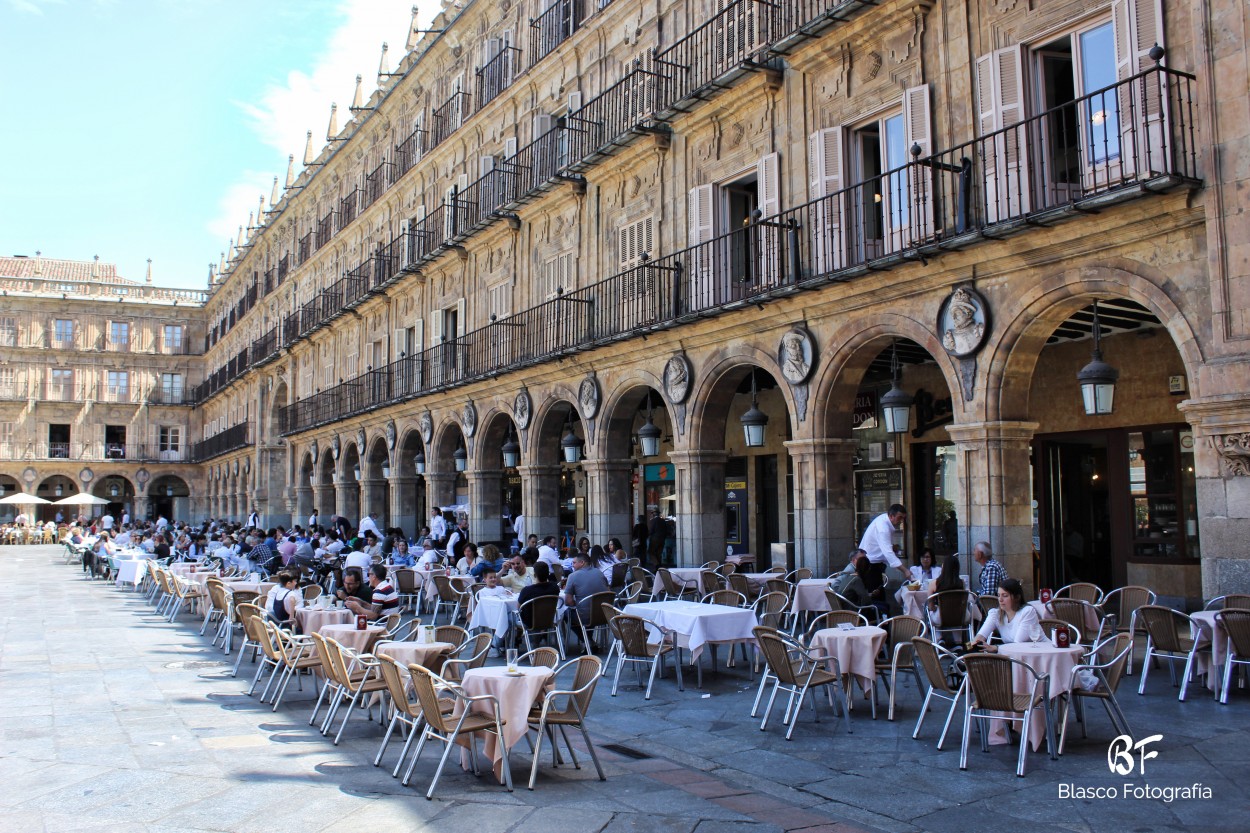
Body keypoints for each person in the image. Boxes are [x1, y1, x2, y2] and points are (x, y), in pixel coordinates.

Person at [971, 578, 1042, 649]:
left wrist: (996, 648)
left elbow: (1017, 645)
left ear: (1017, 597)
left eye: (1005, 596)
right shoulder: (995, 614)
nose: (1000, 599)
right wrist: (966, 648)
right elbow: (978, 638)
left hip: (1041, 653)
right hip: (1015, 656)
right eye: (998, 595)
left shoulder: (1027, 612)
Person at [858, 503, 908, 589]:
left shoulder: (884, 520)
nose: (901, 521)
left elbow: (883, 545)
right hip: (870, 565)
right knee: (875, 595)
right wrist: (905, 570)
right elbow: (888, 552)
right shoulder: (883, 528)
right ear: (891, 516)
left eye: (903, 518)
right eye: (900, 517)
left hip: (873, 563)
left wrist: (892, 547)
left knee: (878, 593)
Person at [563, 551, 610, 639]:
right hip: (604, 614)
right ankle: (589, 641)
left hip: (585, 616)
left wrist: (578, 604)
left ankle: (587, 641)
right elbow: (608, 592)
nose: (572, 565)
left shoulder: (572, 576)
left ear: (582, 563)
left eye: (574, 563)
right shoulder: (599, 573)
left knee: (565, 613)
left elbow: (568, 601)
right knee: (585, 610)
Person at [518, 561, 560, 628]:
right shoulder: (555, 587)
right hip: (549, 619)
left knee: (509, 617)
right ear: (548, 574)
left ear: (534, 575)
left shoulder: (527, 590)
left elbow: (519, 607)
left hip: (530, 622)